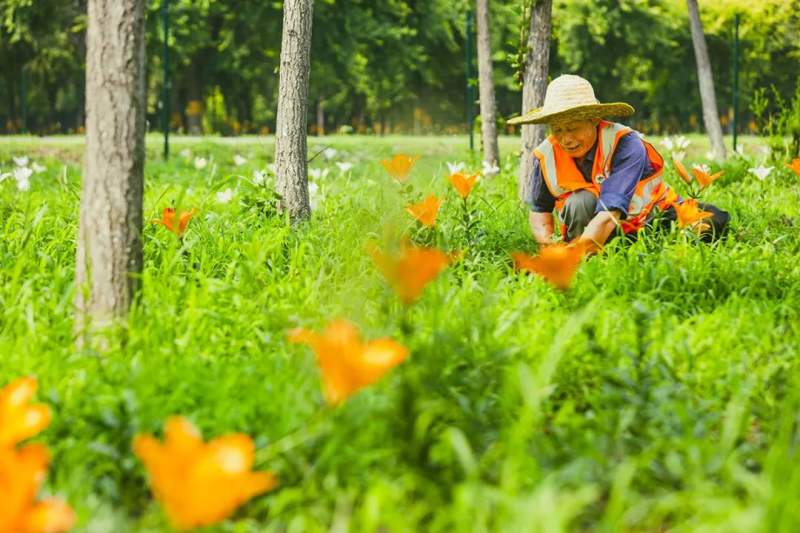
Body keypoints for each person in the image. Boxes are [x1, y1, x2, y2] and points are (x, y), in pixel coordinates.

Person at [509, 74, 729, 249]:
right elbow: (540, 211)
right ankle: (594, 257)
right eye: (557, 129)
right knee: (580, 202)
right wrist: (549, 248)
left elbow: (608, 213)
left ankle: (634, 249)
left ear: (594, 120)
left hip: (653, 218)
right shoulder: (545, 155)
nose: (566, 138)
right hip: (594, 229)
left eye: (573, 128)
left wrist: (572, 257)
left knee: (715, 218)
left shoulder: (625, 143)